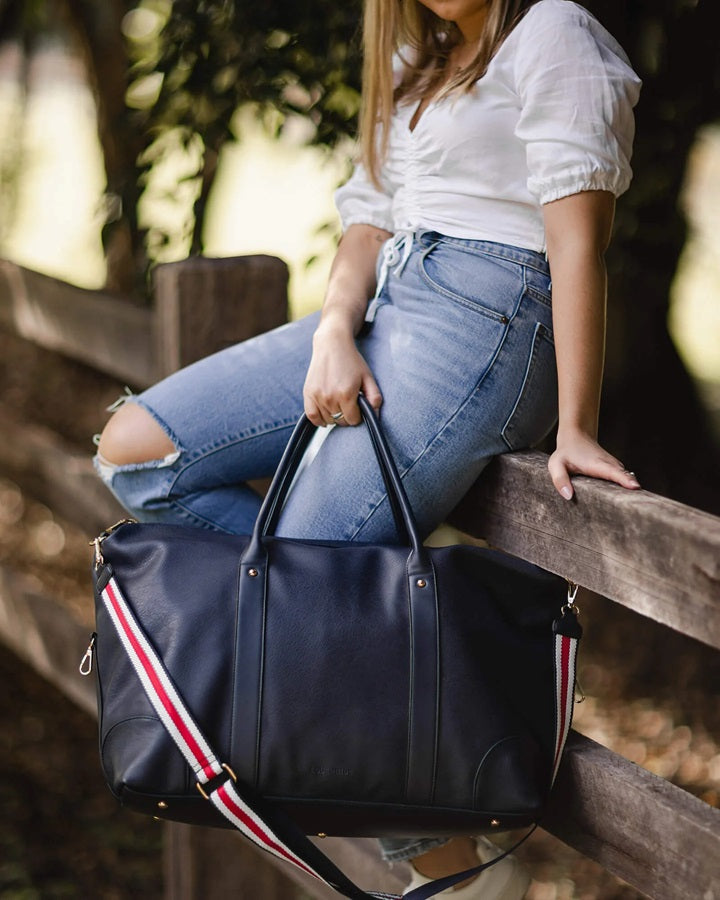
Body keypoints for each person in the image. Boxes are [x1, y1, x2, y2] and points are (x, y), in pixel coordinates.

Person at [95, 0, 641, 896]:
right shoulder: (415, 57)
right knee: (135, 452)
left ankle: (447, 867)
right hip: (383, 307)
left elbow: (577, 243)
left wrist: (576, 424)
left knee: (309, 574)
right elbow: (367, 225)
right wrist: (331, 333)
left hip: (488, 316)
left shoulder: (553, 33)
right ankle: (384, 621)